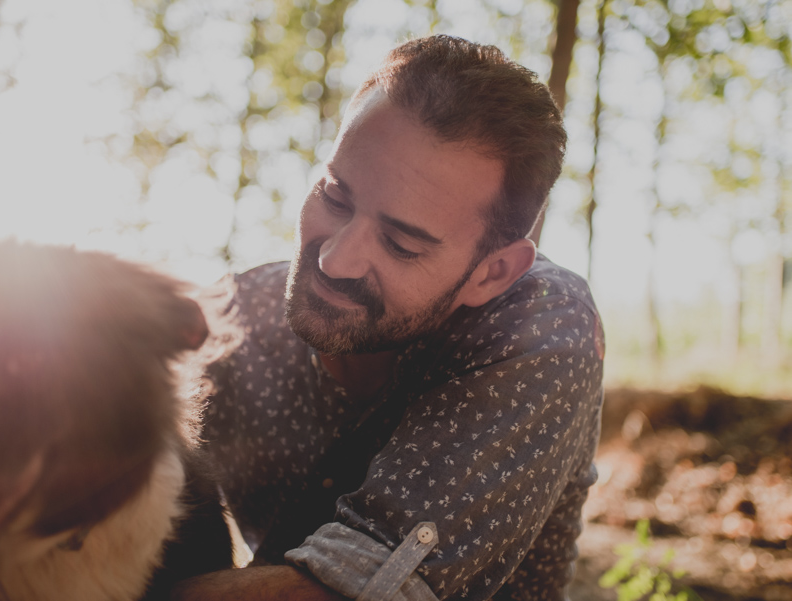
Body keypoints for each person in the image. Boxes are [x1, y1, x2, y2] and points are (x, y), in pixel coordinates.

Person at [177, 34, 605, 601]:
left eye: (402, 244)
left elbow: (363, 590)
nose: (334, 259)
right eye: (334, 196)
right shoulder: (231, 318)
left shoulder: (543, 326)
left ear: (492, 273)